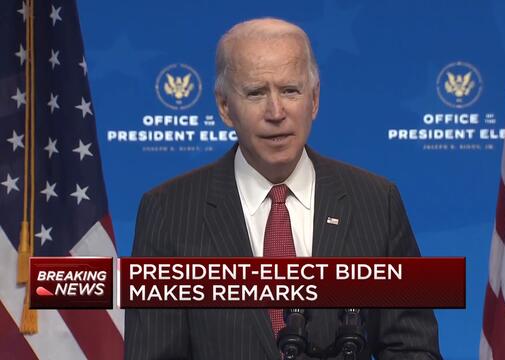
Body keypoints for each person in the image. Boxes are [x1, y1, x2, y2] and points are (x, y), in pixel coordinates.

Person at [125, 18, 441, 360]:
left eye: (290, 90)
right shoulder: (168, 212)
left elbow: (413, 349)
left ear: (315, 99)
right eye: (256, 93)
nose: (276, 112)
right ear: (225, 107)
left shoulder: (378, 202)